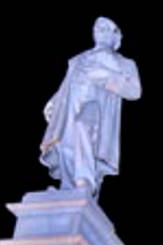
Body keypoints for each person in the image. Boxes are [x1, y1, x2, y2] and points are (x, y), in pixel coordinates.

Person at [40, 17, 142, 195]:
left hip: (97, 105)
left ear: (116, 36)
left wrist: (106, 76)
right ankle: (68, 188)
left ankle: (85, 181)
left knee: (83, 126)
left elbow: (135, 91)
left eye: (105, 28)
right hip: (70, 105)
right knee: (65, 143)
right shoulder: (79, 59)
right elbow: (67, 84)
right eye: (97, 28)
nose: (100, 31)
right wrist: (54, 100)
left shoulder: (124, 63)